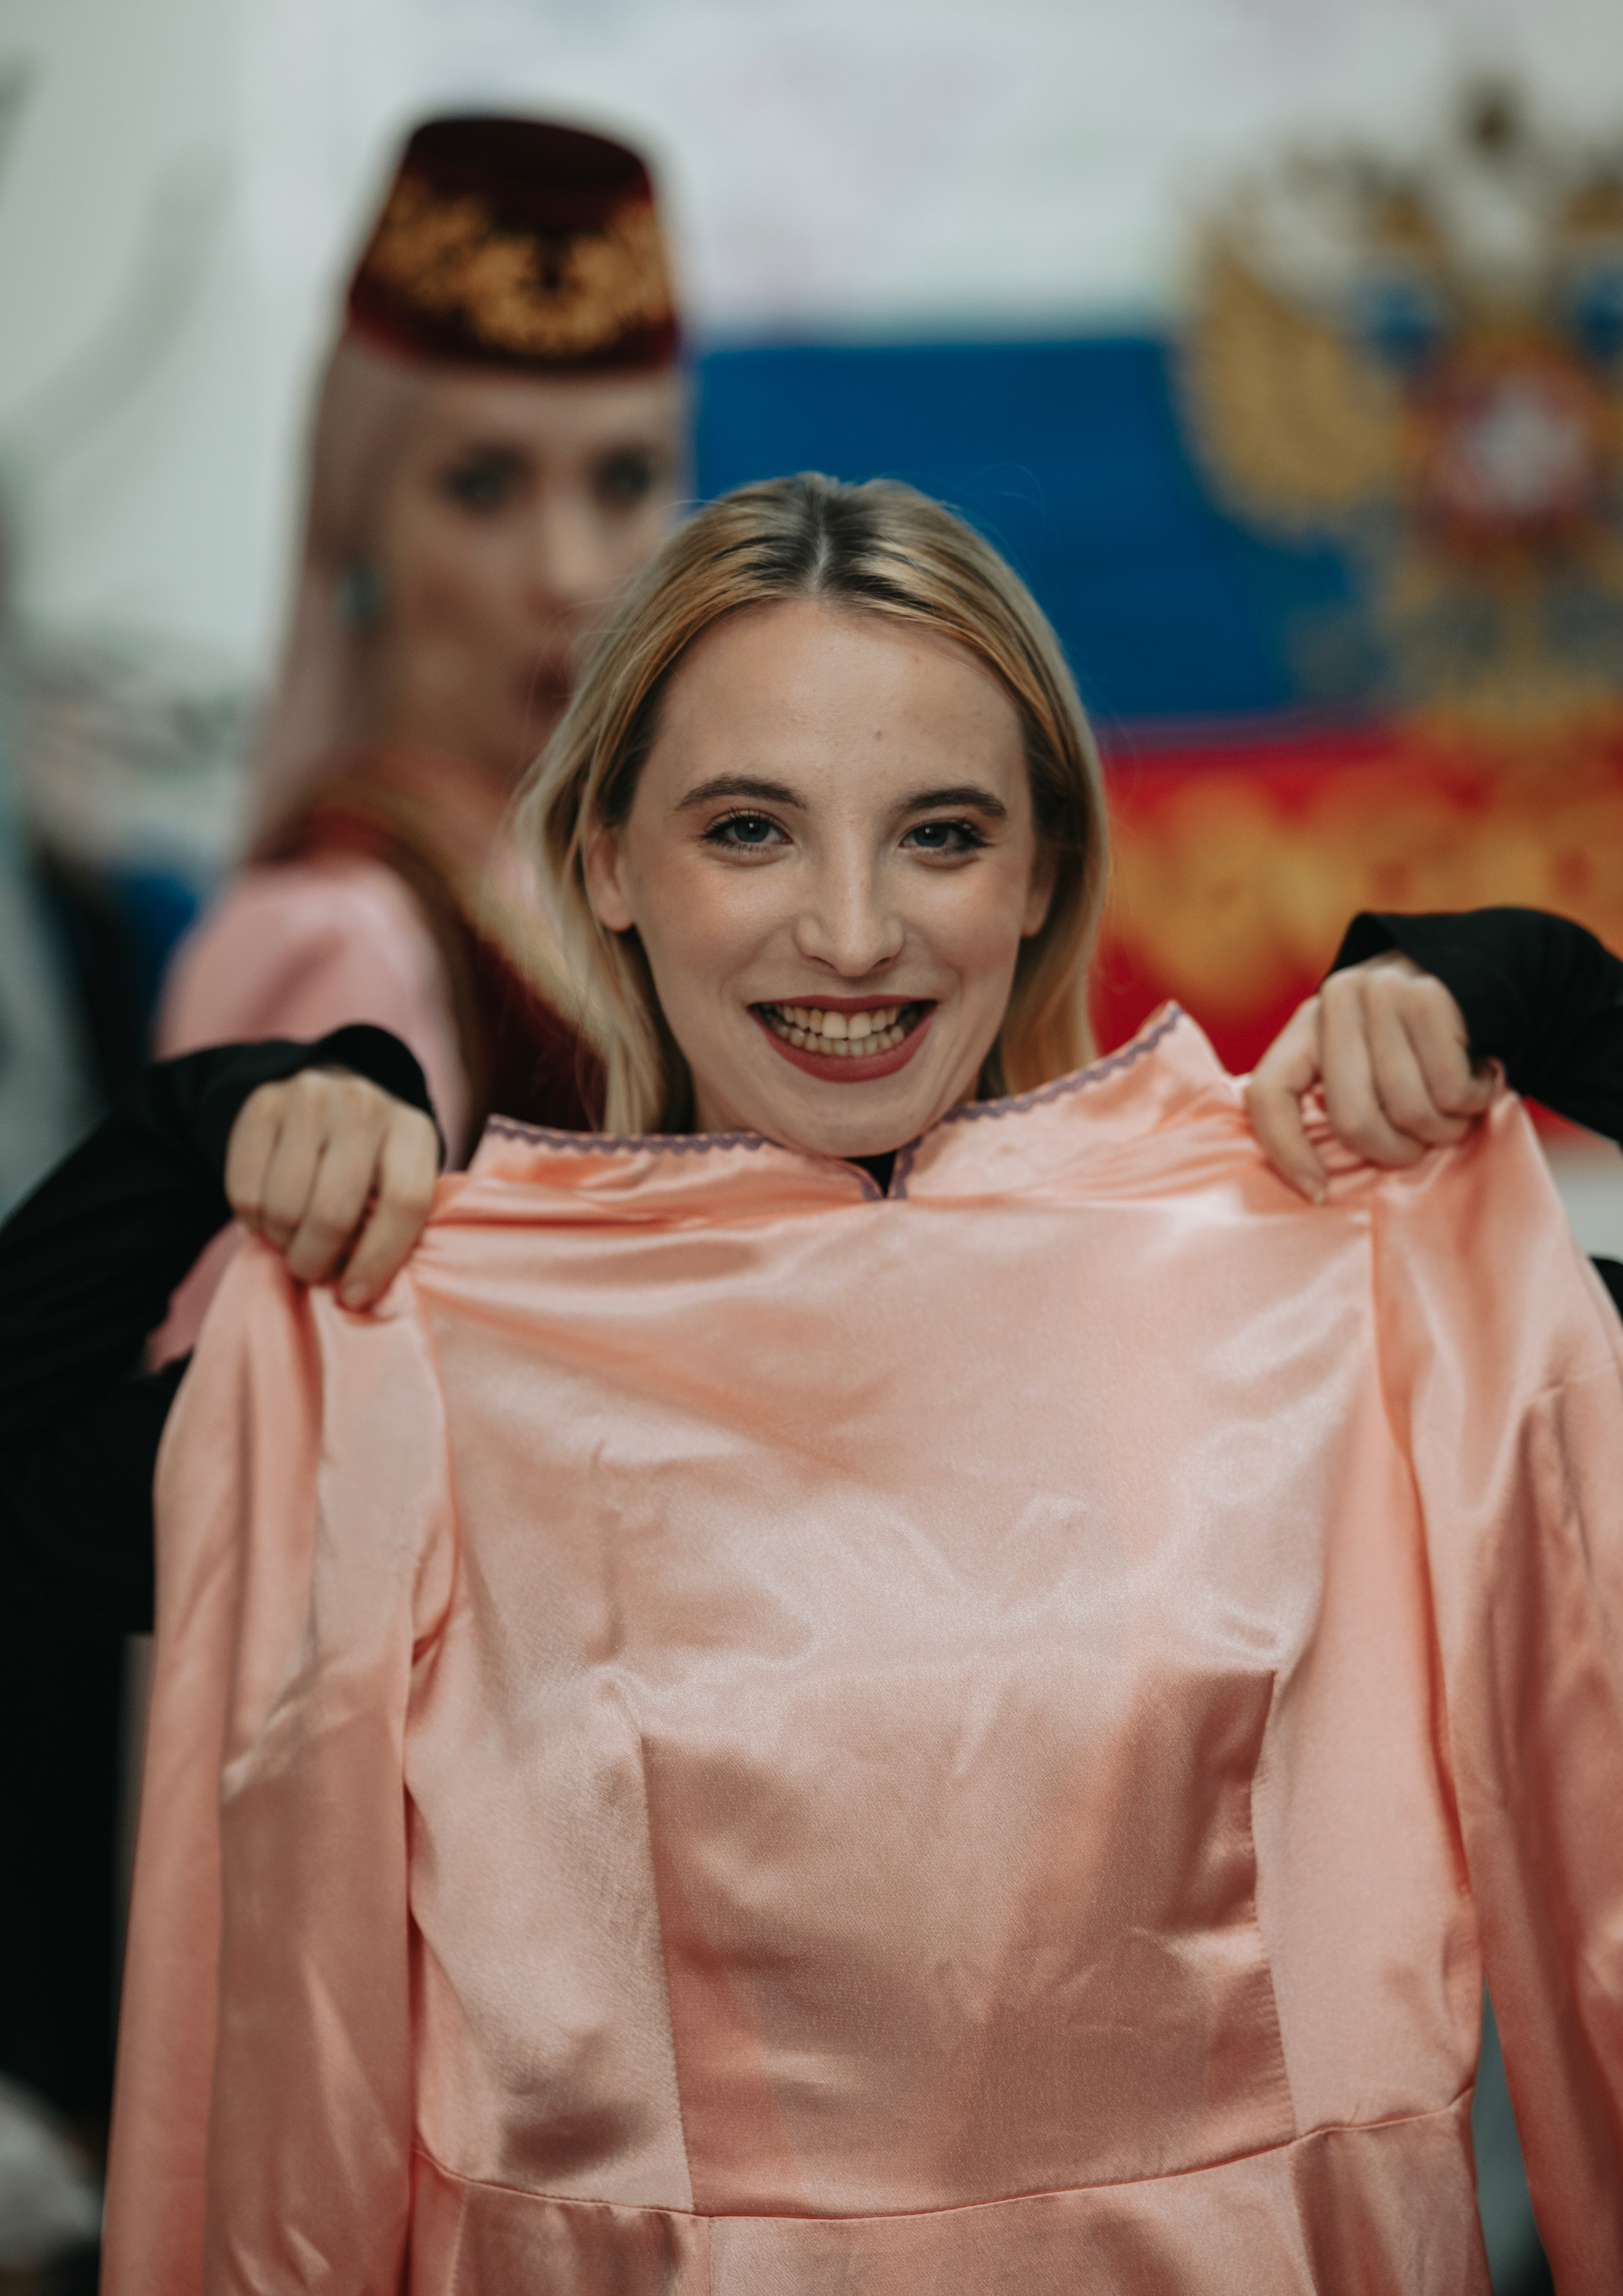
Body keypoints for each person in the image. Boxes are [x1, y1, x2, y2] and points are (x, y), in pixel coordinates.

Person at [87, 475, 1622, 2292]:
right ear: (602, 860)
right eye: (750, 829)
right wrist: (222, 1109)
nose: (849, 932)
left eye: (940, 836)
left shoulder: (1319, 1291)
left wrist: (1539, 982)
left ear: (1040, 867)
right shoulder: (424, 1352)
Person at [155, 110, 687, 1239]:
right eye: (483, 487)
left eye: (626, 479)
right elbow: (246, 1405)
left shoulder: (632, 880)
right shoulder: (338, 936)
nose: (571, 573)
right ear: (359, 516)